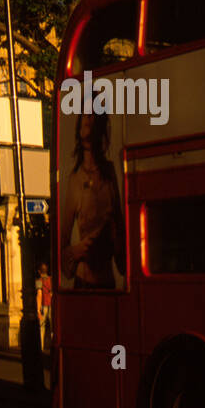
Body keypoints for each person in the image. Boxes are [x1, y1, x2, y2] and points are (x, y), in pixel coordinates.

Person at [60, 110, 125, 289]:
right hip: (84, 283)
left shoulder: (109, 173)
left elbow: (122, 255)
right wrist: (80, 249)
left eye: (94, 113)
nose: (89, 118)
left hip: (108, 284)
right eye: (85, 113)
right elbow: (62, 252)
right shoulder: (75, 179)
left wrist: (113, 238)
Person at [35, 261, 52, 348]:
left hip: (43, 306)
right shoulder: (52, 279)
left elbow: (39, 295)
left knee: (42, 327)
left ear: (39, 271)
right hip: (52, 306)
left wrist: (38, 310)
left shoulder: (39, 281)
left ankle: (41, 348)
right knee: (53, 329)